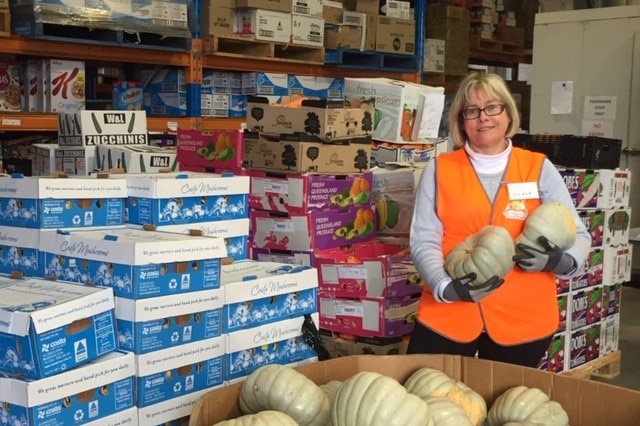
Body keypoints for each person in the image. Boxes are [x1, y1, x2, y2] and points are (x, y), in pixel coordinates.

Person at [407, 72, 592, 368]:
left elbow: (580, 235)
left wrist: (561, 261)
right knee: (426, 398)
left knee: (507, 408)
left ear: (508, 113)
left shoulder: (538, 167)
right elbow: (423, 238)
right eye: (472, 111)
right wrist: (444, 286)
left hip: (523, 318)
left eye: (493, 107)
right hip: (449, 314)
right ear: (461, 121)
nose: (483, 118)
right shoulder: (440, 169)